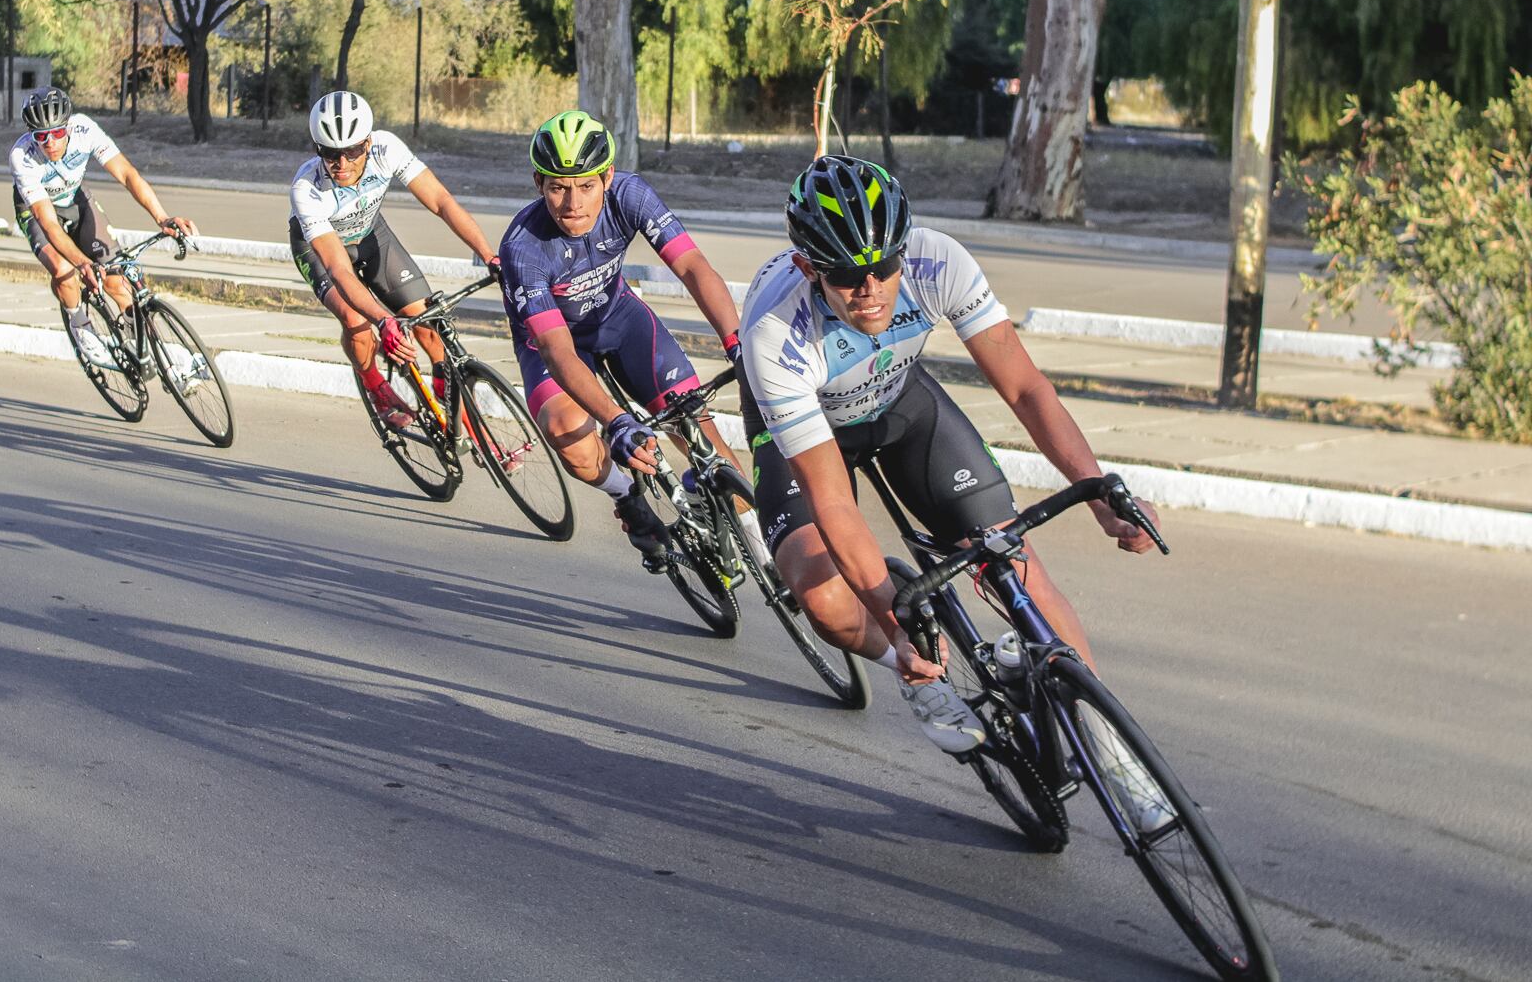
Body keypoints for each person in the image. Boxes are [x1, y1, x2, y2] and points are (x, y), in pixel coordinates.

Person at [737, 155, 1163, 763]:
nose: (871, 289)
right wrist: (893, 621)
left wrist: (1096, 495)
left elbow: (1025, 389)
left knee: (1015, 565)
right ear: (808, 267)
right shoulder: (776, 334)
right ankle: (917, 676)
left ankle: (1116, 753)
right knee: (825, 598)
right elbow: (831, 499)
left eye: (885, 267)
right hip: (807, 430)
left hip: (899, 398)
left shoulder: (939, 261)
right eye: (847, 275)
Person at [496, 111, 746, 566]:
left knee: (715, 455)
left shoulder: (630, 194)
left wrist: (736, 344)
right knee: (566, 433)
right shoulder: (523, 247)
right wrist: (615, 421)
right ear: (538, 183)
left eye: (586, 185)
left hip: (619, 319)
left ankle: (737, 531)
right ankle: (627, 496)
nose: (572, 203)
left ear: (607, 176)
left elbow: (691, 266)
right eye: (557, 187)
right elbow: (556, 350)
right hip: (554, 346)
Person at [287, 90, 498, 428]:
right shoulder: (306, 189)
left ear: (368, 143)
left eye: (352, 151)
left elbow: (442, 202)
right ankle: (375, 386)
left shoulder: (387, 148)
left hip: (371, 237)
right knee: (357, 323)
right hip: (320, 250)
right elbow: (340, 269)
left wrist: (489, 255)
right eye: (330, 153)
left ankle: (452, 411)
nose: (341, 164)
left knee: (428, 325)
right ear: (317, 148)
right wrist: (383, 320)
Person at [9, 87, 195, 367]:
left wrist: (162, 218)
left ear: (68, 127)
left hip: (75, 197)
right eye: (41, 136)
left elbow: (127, 174)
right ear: (31, 136)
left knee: (115, 279)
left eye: (57, 133)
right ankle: (79, 324)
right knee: (63, 269)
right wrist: (83, 263)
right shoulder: (22, 157)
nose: (50, 143)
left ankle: (144, 343)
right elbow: (48, 223)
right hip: (38, 210)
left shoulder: (84, 130)